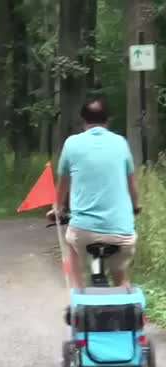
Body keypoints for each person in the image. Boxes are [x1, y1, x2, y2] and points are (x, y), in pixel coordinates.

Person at [51, 97, 140, 289]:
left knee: (72, 245)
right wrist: (135, 206)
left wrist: (57, 208)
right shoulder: (121, 143)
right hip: (121, 235)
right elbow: (132, 186)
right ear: (108, 120)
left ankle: (78, 294)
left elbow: (62, 185)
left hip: (84, 233)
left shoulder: (71, 144)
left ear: (83, 120)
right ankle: (124, 300)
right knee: (120, 270)